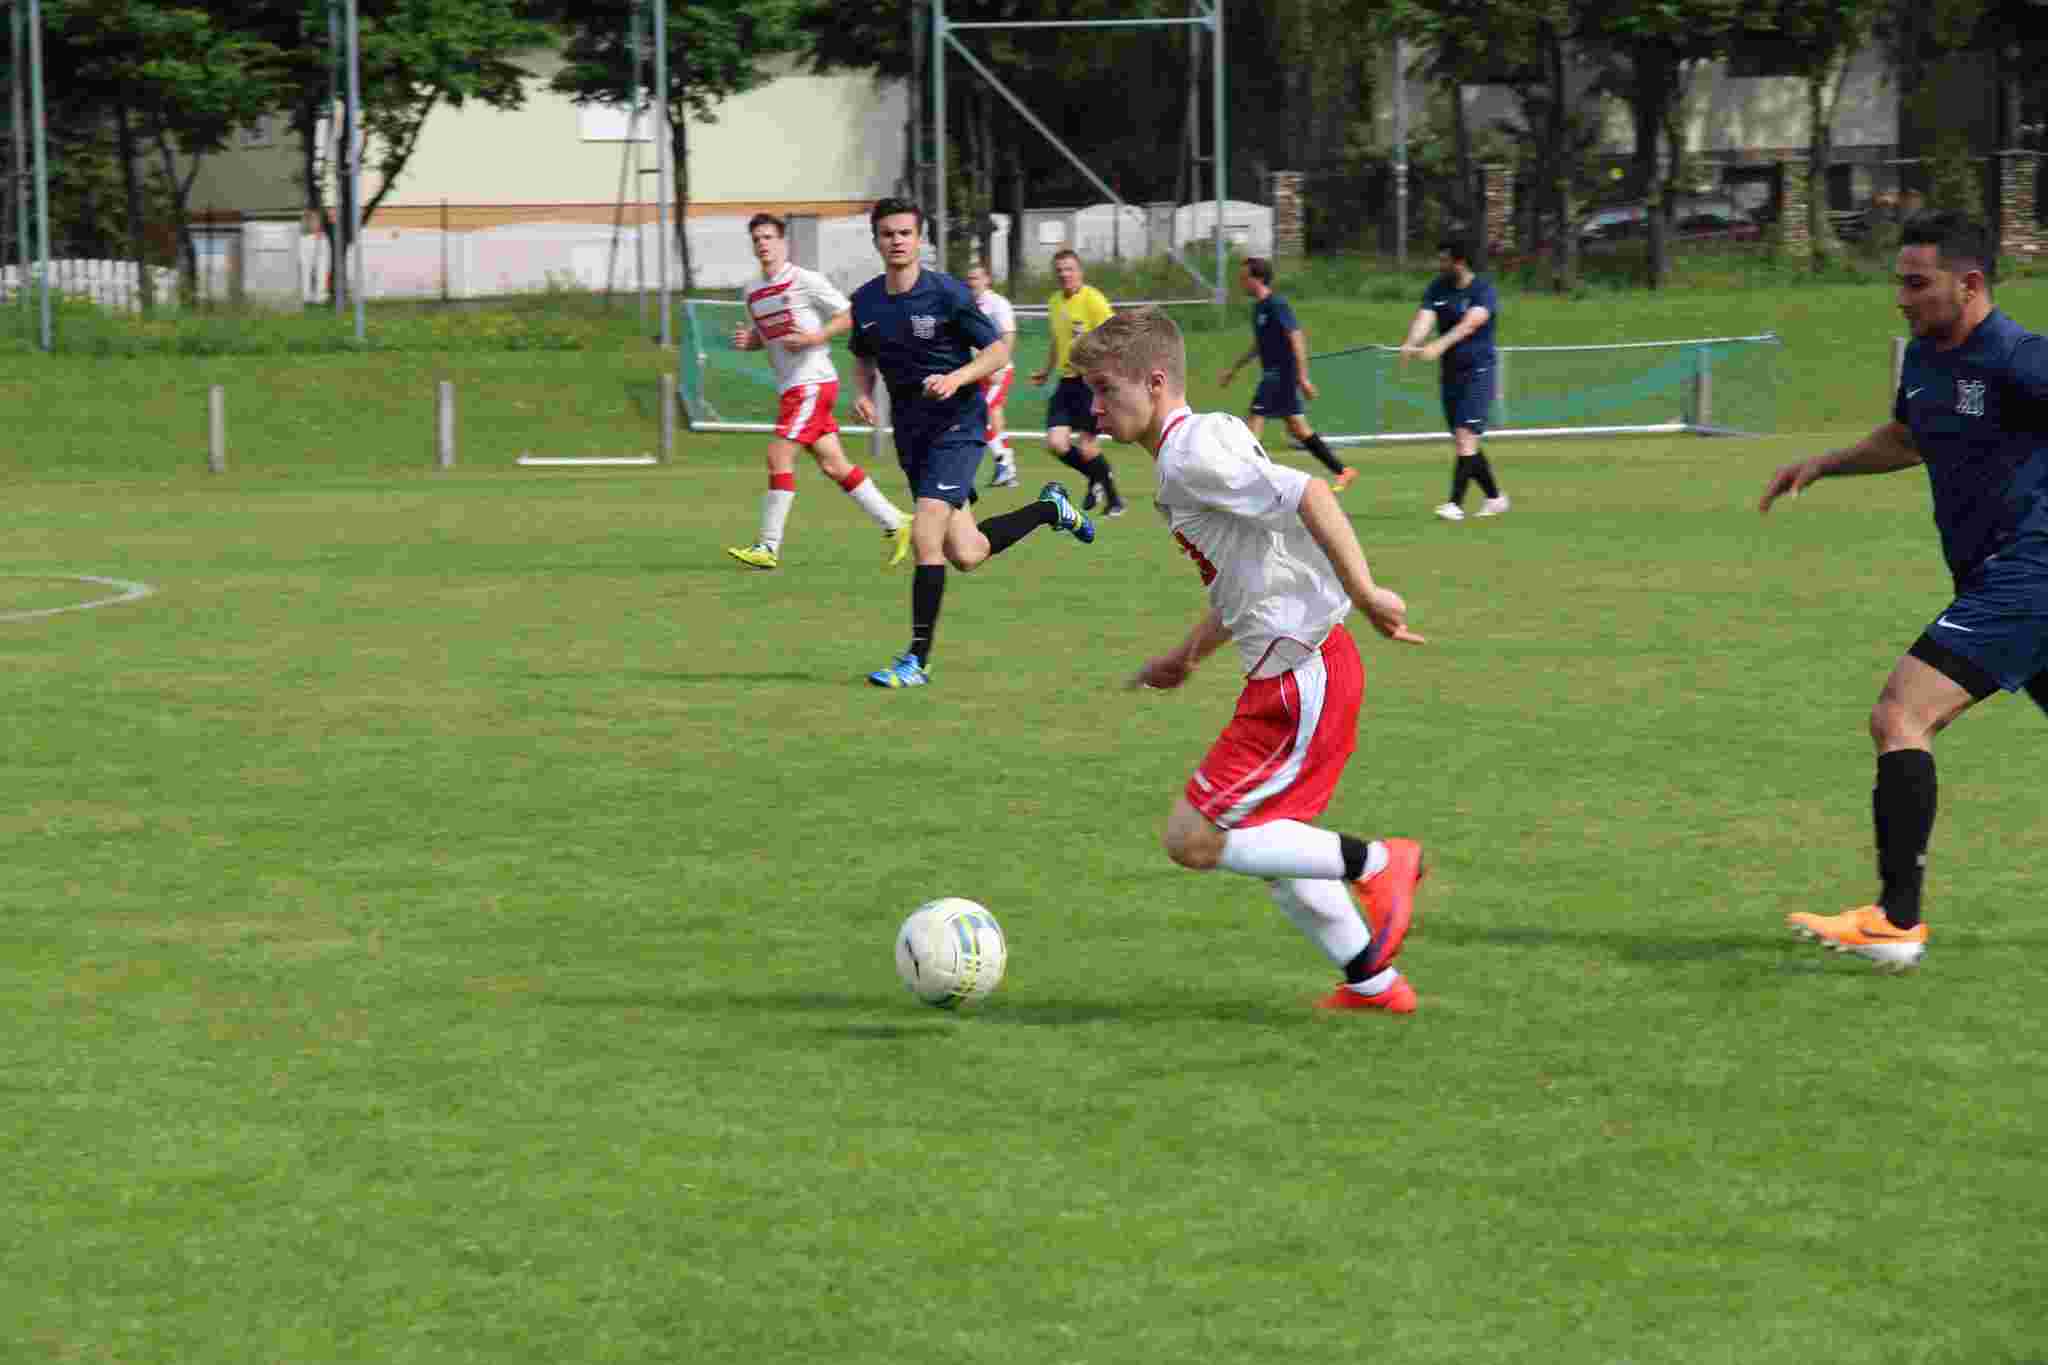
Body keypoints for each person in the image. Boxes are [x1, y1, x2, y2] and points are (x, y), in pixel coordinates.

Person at [1073, 308, 1431, 1013]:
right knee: (1277, 849)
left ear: (1153, 381)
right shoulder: (1207, 439)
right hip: (1301, 669)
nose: (1094, 407)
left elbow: (1311, 492)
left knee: (1195, 837)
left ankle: (1381, 862)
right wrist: (1184, 657)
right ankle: (1375, 984)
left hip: (1303, 676)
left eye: (1104, 389)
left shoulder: (1189, 455)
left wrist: (1363, 590)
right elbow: (1250, 577)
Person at [1759, 211, 2048, 970]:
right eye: (1900, 282)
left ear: (1971, 283)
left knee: (1901, 714)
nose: (1902, 298)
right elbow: (1909, 437)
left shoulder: (2020, 358)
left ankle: (1896, 921)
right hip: (2000, 577)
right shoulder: (1925, 359)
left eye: (1918, 283)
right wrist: (1826, 462)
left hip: (2029, 572)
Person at [850, 198, 1096, 689]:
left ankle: (916, 661)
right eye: (887, 234)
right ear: (876, 240)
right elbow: (862, 356)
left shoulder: (947, 294)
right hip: (911, 432)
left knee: (925, 533)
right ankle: (1052, 509)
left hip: (957, 425)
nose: (896, 241)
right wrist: (861, 393)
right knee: (967, 552)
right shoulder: (866, 301)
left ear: (919, 239)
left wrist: (958, 377)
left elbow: (1000, 349)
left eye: (905, 233)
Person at [725, 213, 912, 571]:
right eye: (757, 239)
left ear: (783, 243)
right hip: (791, 388)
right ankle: (896, 521)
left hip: (813, 383)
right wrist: (748, 341)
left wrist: (815, 338)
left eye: (769, 237)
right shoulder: (752, 291)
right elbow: (768, 339)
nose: (763, 244)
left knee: (778, 456)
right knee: (833, 464)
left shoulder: (805, 280)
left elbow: (849, 315)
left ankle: (767, 545)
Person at [1218, 257, 1355, 492]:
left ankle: (1249, 482)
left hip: (1281, 375)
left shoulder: (1276, 304)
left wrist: (1303, 378)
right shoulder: (1259, 308)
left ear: (1258, 279)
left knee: (1253, 424)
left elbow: (1296, 337)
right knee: (1299, 429)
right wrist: (1234, 369)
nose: (1241, 283)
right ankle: (1343, 470)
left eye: (1244, 278)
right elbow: (1259, 346)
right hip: (1273, 375)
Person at [1399, 238, 1509, 522]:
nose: (1440, 264)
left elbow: (1470, 323)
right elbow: (1425, 317)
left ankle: (1454, 504)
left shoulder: (1482, 290)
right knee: (1466, 440)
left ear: (1459, 262)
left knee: (1464, 437)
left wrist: (1439, 345)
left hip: (1478, 371)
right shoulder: (1438, 287)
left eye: (1444, 259)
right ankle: (1495, 498)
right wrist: (1412, 343)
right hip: (1451, 374)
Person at [1029, 248, 1126, 517]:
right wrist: (1046, 371)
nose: (1064, 274)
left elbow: (1115, 338)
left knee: (1087, 447)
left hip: (1089, 382)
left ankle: (1115, 500)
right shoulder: (1054, 302)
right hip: (1065, 382)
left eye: (1069, 269)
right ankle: (1096, 476)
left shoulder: (1093, 300)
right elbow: (1056, 341)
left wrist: (1092, 344)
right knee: (1056, 443)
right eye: (1059, 270)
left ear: (1079, 271)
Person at [964, 262, 1020, 489]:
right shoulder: (969, 304)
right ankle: (1006, 467)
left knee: (981, 414)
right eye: (969, 278)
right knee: (990, 415)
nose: (972, 283)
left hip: (997, 370)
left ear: (987, 279)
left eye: (976, 278)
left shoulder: (997, 303)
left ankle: (1005, 464)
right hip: (979, 371)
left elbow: (1008, 335)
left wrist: (998, 365)